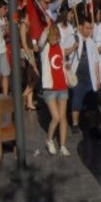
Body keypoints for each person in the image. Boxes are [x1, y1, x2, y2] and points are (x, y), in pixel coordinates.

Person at [40, 25, 70, 156]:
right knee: (56, 117)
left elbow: (62, 63)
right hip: (50, 87)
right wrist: (45, 30)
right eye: (51, 38)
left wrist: (67, 66)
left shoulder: (61, 47)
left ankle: (63, 145)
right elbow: (40, 42)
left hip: (62, 85)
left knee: (63, 117)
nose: (54, 41)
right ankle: (49, 139)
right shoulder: (44, 48)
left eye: (56, 38)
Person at [69, 17, 101, 135]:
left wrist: (98, 78)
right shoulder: (72, 38)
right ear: (81, 27)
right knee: (76, 100)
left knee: (92, 102)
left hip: (90, 77)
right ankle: (75, 124)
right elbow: (64, 53)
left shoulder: (91, 43)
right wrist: (73, 48)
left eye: (91, 28)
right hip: (77, 77)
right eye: (87, 28)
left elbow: (96, 62)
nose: (89, 31)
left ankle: (92, 125)